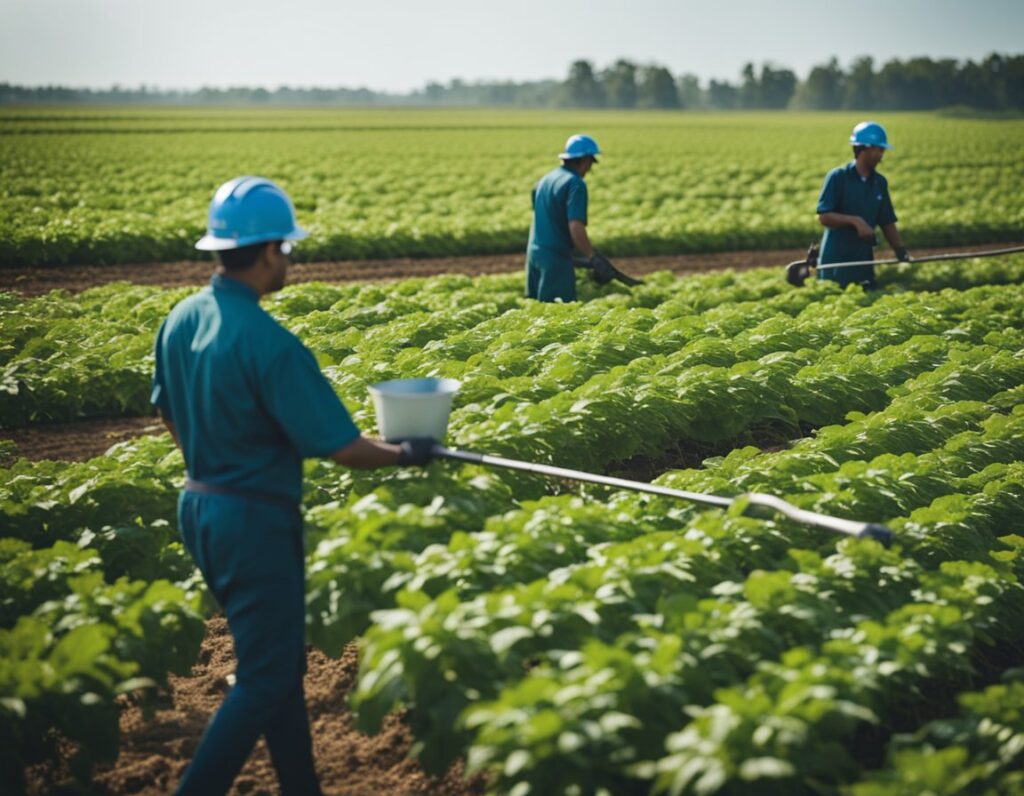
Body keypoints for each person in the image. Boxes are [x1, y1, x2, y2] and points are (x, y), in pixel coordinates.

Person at [151, 176, 435, 795]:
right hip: (254, 522)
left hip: (199, 506)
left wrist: (212, 458)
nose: (291, 259)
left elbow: (167, 410)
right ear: (271, 250)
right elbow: (338, 445)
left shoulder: (180, 318)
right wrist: (404, 455)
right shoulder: (270, 344)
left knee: (273, 666)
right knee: (263, 678)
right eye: (289, 247)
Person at [816, 121, 910, 289]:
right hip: (836, 262)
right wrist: (856, 221)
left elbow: (887, 222)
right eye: (879, 149)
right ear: (863, 148)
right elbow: (824, 217)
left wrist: (900, 251)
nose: (881, 154)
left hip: (863, 261)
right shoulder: (838, 177)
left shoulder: (879, 183)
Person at [525, 133, 601, 302]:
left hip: (534, 255)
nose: (590, 169)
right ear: (584, 160)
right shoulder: (575, 183)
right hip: (556, 259)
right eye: (590, 162)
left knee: (536, 316)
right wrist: (592, 256)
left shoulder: (545, 180)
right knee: (557, 315)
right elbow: (576, 226)